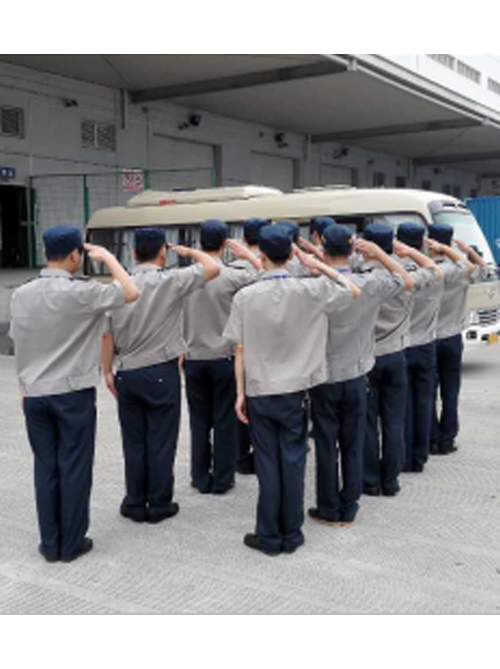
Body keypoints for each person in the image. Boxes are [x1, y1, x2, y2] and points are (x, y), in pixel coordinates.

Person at [223, 224, 361, 556]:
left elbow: (239, 349)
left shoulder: (245, 296)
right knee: (293, 462)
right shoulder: (309, 289)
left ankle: (269, 535)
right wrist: (318, 264)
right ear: (290, 255)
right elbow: (352, 289)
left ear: (261, 256)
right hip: (296, 392)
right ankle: (292, 532)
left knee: (267, 465)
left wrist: (240, 393)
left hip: (259, 390)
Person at [10, 225, 140, 563]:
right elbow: (130, 291)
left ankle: (50, 542)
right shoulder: (83, 292)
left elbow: (20, 342)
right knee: (74, 466)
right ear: (74, 255)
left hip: (34, 393)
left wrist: (24, 386)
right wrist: (108, 257)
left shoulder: (21, 294)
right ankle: (71, 543)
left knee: (45, 468)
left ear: (45, 252)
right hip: (72, 394)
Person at [102, 227, 220, 523]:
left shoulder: (117, 286)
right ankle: (158, 503)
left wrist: (106, 371)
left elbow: (106, 336)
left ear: (132, 253)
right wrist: (189, 252)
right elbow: (213, 267)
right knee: (161, 440)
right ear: (163, 253)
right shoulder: (171, 280)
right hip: (160, 371)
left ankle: (134, 501)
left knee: (134, 442)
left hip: (126, 371)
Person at [308, 224, 414, 526]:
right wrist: (380, 253)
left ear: (323, 249)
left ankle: (328, 507)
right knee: (353, 443)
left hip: (324, 376)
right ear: (353, 250)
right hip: (357, 374)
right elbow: (405, 280)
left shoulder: (315, 287)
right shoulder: (371, 283)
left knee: (326, 444)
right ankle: (349, 506)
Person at [362, 222, 441, 497]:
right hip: (397, 354)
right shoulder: (406, 277)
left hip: (368, 357)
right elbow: (434, 269)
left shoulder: (361, 278)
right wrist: (404, 252)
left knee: (369, 422)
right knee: (394, 421)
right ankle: (391, 480)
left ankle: (370, 479)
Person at [183, 219, 262, 494]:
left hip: (193, 356)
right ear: (225, 243)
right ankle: (223, 478)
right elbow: (263, 273)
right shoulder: (231, 276)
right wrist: (246, 253)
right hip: (224, 356)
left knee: (199, 421)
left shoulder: (185, 277)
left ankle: (199, 475)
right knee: (224, 421)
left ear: (198, 242)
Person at [427, 223, 486, 455]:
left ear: (430, 242)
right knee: (450, 393)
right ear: (450, 242)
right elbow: (483, 269)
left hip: (428, 339)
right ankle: (447, 439)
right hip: (452, 338)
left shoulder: (426, 269)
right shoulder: (462, 270)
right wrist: (467, 250)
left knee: (428, 393)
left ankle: (431, 437)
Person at [396, 223, 445, 473]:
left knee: (404, 405)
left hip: (402, 345)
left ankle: (404, 457)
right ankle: (420, 455)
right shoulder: (434, 272)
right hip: (426, 345)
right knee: (425, 402)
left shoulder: (395, 273)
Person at [230, 218, 269, 475]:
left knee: (240, 402)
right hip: (269, 348)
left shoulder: (228, 270)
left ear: (244, 238)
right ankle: (262, 455)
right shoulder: (275, 268)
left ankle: (241, 456)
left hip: (239, 345)